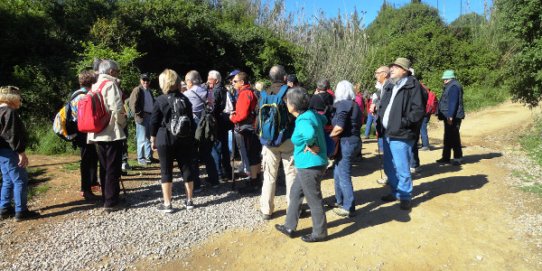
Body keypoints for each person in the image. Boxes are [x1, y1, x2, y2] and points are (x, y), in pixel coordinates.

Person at [275, 87, 328, 243]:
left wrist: (310, 144)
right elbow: (324, 120)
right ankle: (289, 226)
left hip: (310, 166)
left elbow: (310, 134)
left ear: (294, 105)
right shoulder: (310, 114)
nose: (286, 103)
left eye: (287, 101)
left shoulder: (304, 119)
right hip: (308, 164)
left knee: (313, 199)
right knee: (295, 193)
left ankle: (320, 232)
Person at [376, 57, 425, 211]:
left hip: (401, 133)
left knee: (401, 166)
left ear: (404, 70)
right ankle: (395, 191)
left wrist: (403, 122)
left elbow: (418, 111)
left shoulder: (413, 85)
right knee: (390, 166)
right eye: (391, 67)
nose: (392, 69)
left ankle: (405, 196)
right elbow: (384, 105)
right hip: (387, 132)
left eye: (396, 67)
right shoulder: (391, 85)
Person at [150, 69, 196, 212]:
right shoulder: (185, 99)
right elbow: (191, 120)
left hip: (165, 137)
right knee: (186, 168)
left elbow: (154, 122)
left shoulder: (160, 100)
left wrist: (153, 139)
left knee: (166, 170)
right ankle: (189, 201)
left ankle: (167, 204)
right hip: (184, 137)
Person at [87, 59, 128, 212]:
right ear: (111, 72)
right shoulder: (111, 85)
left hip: (97, 132)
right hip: (111, 132)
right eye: (117, 71)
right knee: (112, 167)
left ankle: (107, 197)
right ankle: (111, 201)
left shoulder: (95, 85)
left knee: (104, 167)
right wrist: (122, 124)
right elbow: (117, 109)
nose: (118, 74)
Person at [258, 65, 296, 220]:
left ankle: (266, 210)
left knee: (269, 175)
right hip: (288, 139)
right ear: (285, 77)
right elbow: (296, 114)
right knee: (291, 174)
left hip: (268, 140)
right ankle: (293, 208)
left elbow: (258, 116)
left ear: (270, 78)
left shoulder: (264, 93)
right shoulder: (290, 92)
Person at [0, 86, 40, 221]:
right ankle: (21, 211)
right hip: (10, 151)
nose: (20, 100)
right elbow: (12, 135)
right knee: (20, 181)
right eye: (19, 97)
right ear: (13, 98)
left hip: (2, 153)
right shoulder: (9, 112)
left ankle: (4, 209)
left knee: (7, 180)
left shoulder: (0, 111)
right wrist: (21, 152)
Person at [330, 80, 362, 217]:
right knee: (337, 172)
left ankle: (349, 207)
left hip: (346, 143)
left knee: (343, 175)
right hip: (354, 141)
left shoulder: (343, 104)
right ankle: (339, 200)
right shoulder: (355, 105)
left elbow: (339, 127)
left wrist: (327, 139)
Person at [184, 70, 219, 189]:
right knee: (207, 153)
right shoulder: (208, 92)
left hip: (194, 126)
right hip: (207, 125)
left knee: (193, 154)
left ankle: (196, 185)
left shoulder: (187, 95)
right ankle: (214, 181)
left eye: (186, 80)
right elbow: (212, 106)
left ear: (190, 81)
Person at [229, 72, 262, 193]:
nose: (233, 83)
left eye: (235, 81)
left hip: (246, 128)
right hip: (253, 127)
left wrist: (232, 118)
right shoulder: (252, 91)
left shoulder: (244, 94)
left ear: (242, 82)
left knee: (251, 155)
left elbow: (242, 115)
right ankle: (257, 179)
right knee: (255, 154)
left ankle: (253, 182)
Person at [71, 70, 100, 200]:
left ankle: (91, 185)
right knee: (87, 160)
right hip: (85, 132)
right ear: (92, 82)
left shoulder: (75, 94)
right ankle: (86, 189)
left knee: (90, 159)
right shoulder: (86, 96)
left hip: (79, 131)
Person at [208, 70, 233, 182]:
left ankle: (218, 174)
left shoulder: (215, 91)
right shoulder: (224, 89)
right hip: (223, 121)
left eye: (210, 79)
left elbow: (212, 108)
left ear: (216, 80)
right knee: (223, 148)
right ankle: (227, 172)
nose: (208, 81)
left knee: (216, 147)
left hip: (217, 122)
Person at [437, 70, 465, 166]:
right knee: (448, 136)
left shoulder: (453, 86)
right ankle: (446, 157)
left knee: (454, 137)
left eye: (445, 79)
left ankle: (458, 158)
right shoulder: (451, 85)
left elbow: (453, 102)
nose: (444, 81)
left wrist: (450, 116)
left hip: (453, 116)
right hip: (449, 115)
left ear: (450, 78)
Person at [129, 73, 157, 166]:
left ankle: (149, 157)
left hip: (150, 115)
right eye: (144, 80)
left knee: (149, 137)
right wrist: (139, 114)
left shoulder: (149, 91)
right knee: (141, 137)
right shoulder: (137, 90)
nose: (146, 82)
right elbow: (132, 104)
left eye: (147, 80)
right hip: (142, 116)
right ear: (140, 80)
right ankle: (141, 158)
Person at [373, 66, 391, 185]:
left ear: (385, 74)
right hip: (383, 125)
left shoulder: (389, 87)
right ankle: (389, 177)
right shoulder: (383, 87)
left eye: (377, 73)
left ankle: (391, 179)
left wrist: (377, 106)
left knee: (390, 154)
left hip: (389, 126)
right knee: (387, 154)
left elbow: (387, 106)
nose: (375, 75)